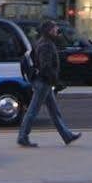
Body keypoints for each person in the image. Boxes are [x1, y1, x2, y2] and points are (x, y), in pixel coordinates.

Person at [17, 19, 80, 147]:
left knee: (54, 111)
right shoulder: (45, 45)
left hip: (44, 81)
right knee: (33, 110)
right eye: (55, 28)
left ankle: (66, 135)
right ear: (49, 30)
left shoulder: (45, 42)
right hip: (43, 82)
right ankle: (23, 136)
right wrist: (56, 82)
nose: (57, 29)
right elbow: (45, 67)